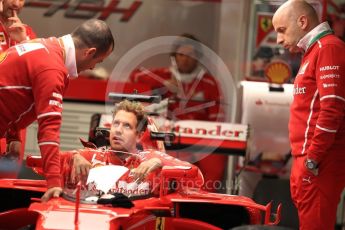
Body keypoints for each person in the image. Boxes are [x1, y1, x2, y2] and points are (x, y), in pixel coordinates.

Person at [0, 18, 114, 202]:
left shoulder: (43, 45)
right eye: (98, 61)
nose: (93, 67)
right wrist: (53, 183)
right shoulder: (52, 68)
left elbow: (12, 89)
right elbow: (48, 131)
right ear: (90, 52)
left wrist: (13, 136)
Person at [272, 1, 345, 229]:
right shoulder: (314, 51)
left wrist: (313, 158)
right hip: (308, 160)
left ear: (302, 22)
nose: (278, 40)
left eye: (282, 30)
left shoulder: (328, 48)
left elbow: (332, 108)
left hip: (319, 162)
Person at [130, 34, 227, 192]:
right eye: (181, 55)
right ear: (174, 57)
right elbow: (135, 75)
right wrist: (164, 84)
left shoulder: (209, 83)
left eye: (190, 55)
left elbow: (217, 119)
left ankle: (202, 201)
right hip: (167, 138)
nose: (185, 59)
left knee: (214, 164)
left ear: (198, 58)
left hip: (200, 140)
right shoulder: (165, 75)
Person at [62, 100, 203, 196]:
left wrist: (161, 163)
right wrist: (73, 156)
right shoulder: (90, 157)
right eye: (115, 124)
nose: (118, 130)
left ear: (139, 136)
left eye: (127, 126)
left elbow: (197, 178)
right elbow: (47, 160)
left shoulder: (153, 159)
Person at [0, 0, 37, 163]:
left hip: (15, 124)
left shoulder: (27, 33)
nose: (16, 3)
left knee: (7, 180)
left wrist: (15, 136)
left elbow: (31, 86)